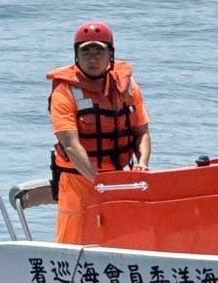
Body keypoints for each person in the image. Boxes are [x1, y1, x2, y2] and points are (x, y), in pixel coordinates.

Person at [47, 20, 151, 244]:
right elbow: (71, 146)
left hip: (121, 178)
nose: (92, 58)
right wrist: (99, 183)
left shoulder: (127, 86)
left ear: (110, 55)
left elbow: (142, 131)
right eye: (86, 52)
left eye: (98, 51)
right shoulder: (64, 91)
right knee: (74, 244)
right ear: (76, 56)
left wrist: (142, 164)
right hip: (79, 181)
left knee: (125, 241)